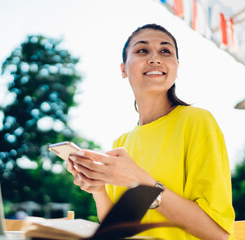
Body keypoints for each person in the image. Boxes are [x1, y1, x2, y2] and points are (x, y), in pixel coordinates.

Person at [66, 23, 235, 240]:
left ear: (176, 67)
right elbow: (118, 230)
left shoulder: (197, 121)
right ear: (123, 69)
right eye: (142, 50)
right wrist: (97, 190)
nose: (155, 58)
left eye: (166, 51)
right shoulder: (121, 142)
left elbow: (217, 234)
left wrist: (143, 183)